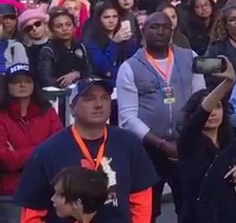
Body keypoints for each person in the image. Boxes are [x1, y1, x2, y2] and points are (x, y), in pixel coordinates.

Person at [14, 78, 158, 223]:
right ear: (72, 108)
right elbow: (32, 211)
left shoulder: (128, 143)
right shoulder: (48, 151)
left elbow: (141, 198)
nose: (99, 105)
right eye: (89, 99)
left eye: (105, 98)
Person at [116, 12, 204, 220]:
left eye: (165, 26)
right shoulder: (129, 67)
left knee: (190, 205)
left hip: (186, 144)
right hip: (148, 150)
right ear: (144, 31)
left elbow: (200, 99)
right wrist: (162, 144)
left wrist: (187, 137)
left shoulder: (189, 57)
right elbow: (128, 118)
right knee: (148, 208)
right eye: (154, 27)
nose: (161, 31)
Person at [176, 56, 236, 223]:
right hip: (199, 216)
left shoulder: (231, 144)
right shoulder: (188, 142)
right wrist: (227, 84)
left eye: (218, 107)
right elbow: (201, 115)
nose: (213, 112)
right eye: (209, 107)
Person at [0, 63, 63, 221]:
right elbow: (6, 160)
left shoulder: (47, 112)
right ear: (6, 86)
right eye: (16, 81)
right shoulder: (1, 115)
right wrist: (43, 148)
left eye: (27, 81)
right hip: (10, 191)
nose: (22, 85)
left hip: (48, 188)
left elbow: (60, 149)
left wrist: (20, 153)